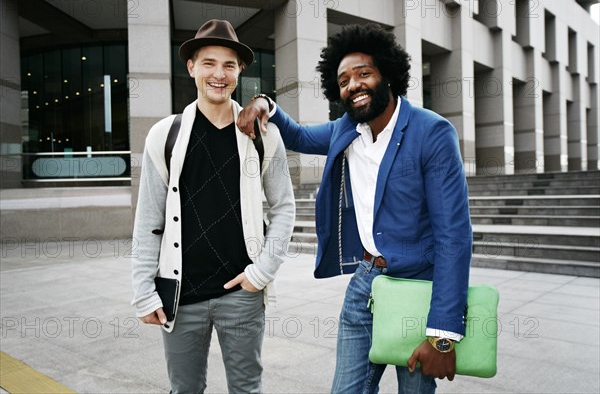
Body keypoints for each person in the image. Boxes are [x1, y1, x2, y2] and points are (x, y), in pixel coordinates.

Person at [237, 23, 472, 393]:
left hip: (416, 290)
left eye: (364, 74)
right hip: (365, 283)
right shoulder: (347, 130)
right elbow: (296, 135)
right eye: (344, 80)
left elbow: (453, 236)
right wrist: (265, 103)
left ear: (387, 75)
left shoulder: (432, 132)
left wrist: (443, 335)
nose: (353, 85)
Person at [131, 19, 295, 394]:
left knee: (246, 389)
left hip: (242, 293)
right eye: (209, 63)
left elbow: (284, 207)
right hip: (180, 294)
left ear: (239, 71)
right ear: (191, 68)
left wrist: (262, 273)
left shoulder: (263, 136)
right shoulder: (165, 134)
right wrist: (143, 290)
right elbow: (148, 220)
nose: (218, 74)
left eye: (229, 65)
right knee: (184, 390)